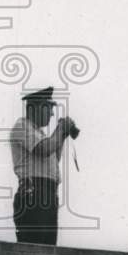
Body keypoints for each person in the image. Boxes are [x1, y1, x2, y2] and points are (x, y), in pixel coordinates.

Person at [9, 86, 79, 245]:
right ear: (36, 108)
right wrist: (60, 130)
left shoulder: (39, 133)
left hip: (47, 194)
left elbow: (53, 158)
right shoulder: (21, 127)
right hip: (33, 194)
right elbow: (44, 149)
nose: (52, 113)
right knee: (34, 249)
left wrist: (61, 136)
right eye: (49, 108)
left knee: (47, 250)